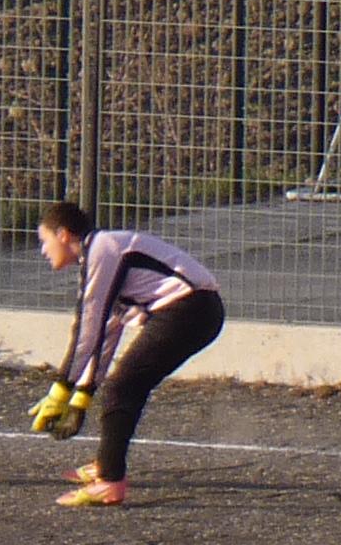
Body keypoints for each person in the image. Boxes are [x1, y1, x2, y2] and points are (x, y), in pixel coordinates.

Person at [30, 202, 226, 509]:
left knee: (123, 387)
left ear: (64, 234)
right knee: (124, 386)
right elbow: (106, 332)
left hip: (192, 310)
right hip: (192, 311)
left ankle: (110, 482)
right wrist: (83, 392)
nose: (42, 250)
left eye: (44, 241)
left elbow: (88, 328)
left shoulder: (102, 249)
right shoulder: (99, 255)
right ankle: (107, 465)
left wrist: (61, 388)